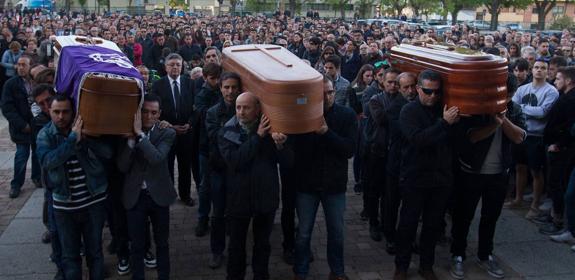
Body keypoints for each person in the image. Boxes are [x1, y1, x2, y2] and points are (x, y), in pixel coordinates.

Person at [450, 75, 526, 280]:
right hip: (471, 171)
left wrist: (503, 120)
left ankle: (485, 255)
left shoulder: (515, 109)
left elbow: (519, 137)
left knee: (490, 217)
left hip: (499, 173)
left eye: (509, 97)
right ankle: (457, 254)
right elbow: (471, 138)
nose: (506, 100)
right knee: (463, 215)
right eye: (503, 96)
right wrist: (493, 123)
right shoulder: (478, 107)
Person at [36, 94, 112, 280]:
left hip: (92, 201)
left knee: (95, 252)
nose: (60, 116)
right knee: (70, 256)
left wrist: (86, 139)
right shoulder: (45, 134)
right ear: (49, 111)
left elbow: (108, 154)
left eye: (65, 112)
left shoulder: (86, 130)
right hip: (65, 206)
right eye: (56, 112)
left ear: (73, 112)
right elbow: (48, 162)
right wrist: (71, 140)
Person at [394, 70, 459, 280]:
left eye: (436, 92)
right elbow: (418, 139)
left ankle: (426, 265)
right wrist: (444, 123)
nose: (432, 96)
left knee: (432, 225)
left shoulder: (445, 109)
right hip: (415, 176)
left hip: (440, 178)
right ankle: (401, 266)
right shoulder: (408, 111)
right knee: (408, 223)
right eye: (428, 91)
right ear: (419, 89)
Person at [218, 92, 292, 280]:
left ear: (258, 109)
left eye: (246, 107)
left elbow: (288, 163)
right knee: (236, 245)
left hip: (265, 196)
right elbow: (236, 161)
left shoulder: (272, 130)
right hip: (239, 197)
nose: (241, 112)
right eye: (238, 107)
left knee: (262, 244)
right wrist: (258, 137)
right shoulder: (228, 131)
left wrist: (281, 146)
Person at [293, 76, 357, 280]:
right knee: (303, 233)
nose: (327, 96)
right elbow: (296, 151)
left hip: (334, 184)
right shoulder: (302, 115)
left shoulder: (346, 115)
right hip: (307, 184)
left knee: (337, 232)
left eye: (330, 92)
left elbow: (349, 150)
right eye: (321, 93)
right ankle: (300, 271)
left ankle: (337, 272)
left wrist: (327, 133)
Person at [117, 94, 177, 280]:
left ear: (159, 114)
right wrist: (131, 141)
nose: (148, 116)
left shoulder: (167, 132)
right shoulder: (126, 133)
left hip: (159, 193)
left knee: (162, 242)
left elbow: (157, 158)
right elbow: (122, 166)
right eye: (144, 112)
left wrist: (141, 136)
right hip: (135, 195)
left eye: (153, 112)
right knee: (137, 244)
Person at [506, 59, 559, 221]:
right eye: (536, 67)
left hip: (537, 136)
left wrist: (522, 108)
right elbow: (512, 108)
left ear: (547, 71)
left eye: (543, 68)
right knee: (520, 168)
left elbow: (542, 112)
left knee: (536, 171)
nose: (539, 71)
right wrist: (526, 110)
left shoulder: (551, 91)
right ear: (531, 70)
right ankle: (518, 199)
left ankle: (535, 205)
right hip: (521, 133)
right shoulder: (523, 89)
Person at [205, 72, 242, 268]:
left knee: (237, 211)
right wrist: (237, 136)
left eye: (234, 87)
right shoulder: (212, 112)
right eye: (226, 87)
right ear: (220, 88)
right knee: (218, 212)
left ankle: (236, 249)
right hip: (219, 168)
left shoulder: (244, 108)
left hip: (238, 169)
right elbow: (216, 136)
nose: (230, 91)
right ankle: (216, 251)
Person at [151, 53, 196, 206]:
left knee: (185, 166)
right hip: (166, 132)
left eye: (178, 64)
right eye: (172, 65)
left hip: (186, 132)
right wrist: (169, 125)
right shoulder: (158, 85)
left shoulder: (190, 83)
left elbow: (196, 108)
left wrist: (189, 124)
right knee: (168, 165)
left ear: (182, 66)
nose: (175, 67)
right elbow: (155, 111)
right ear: (166, 67)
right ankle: (168, 195)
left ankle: (185, 195)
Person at [382, 71, 417, 255]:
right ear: (400, 89)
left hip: (414, 165)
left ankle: (406, 238)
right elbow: (406, 135)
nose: (411, 91)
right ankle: (390, 237)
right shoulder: (395, 108)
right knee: (392, 203)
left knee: (410, 206)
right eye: (406, 87)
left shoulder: (420, 105)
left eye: (413, 86)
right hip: (397, 163)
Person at [1, 55, 40, 198]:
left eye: (24, 65)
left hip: (37, 125)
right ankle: (16, 184)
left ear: (31, 66)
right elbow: (7, 108)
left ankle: (37, 177)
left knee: (37, 154)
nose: (20, 67)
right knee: (21, 156)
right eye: (18, 65)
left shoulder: (36, 82)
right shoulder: (11, 84)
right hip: (21, 127)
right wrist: (22, 125)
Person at [542, 66, 575, 236]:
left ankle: (558, 219)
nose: (555, 82)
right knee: (554, 182)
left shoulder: (571, 100)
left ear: (568, 81)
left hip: (562, 149)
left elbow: (570, 127)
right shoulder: (565, 96)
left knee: (558, 183)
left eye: (558, 79)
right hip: (557, 145)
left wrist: (560, 144)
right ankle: (554, 214)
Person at [194, 62, 223, 237]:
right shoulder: (201, 95)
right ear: (205, 78)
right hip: (206, 147)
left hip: (222, 146)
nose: (217, 82)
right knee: (205, 186)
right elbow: (205, 116)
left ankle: (220, 218)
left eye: (219, 78)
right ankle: (203, 219)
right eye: (213, 79)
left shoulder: (221, 91)